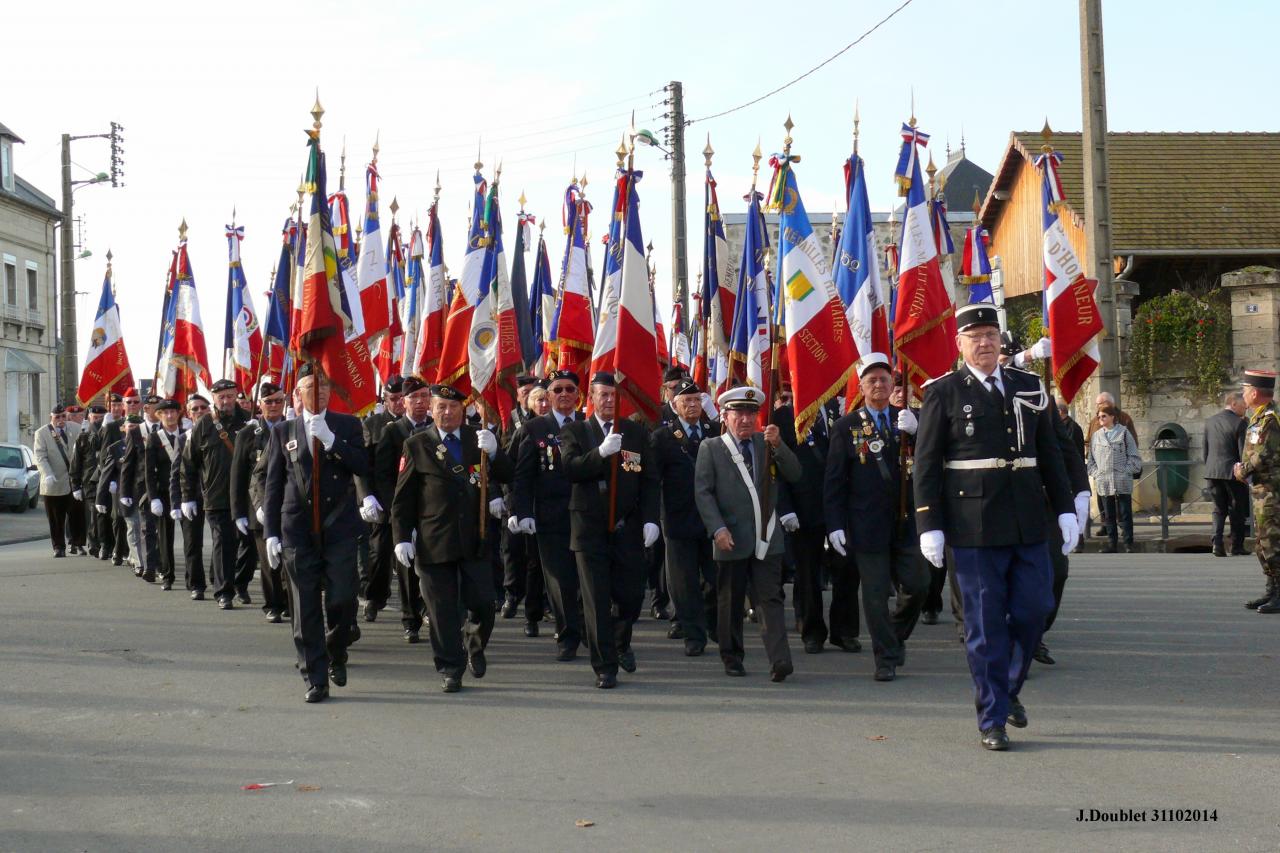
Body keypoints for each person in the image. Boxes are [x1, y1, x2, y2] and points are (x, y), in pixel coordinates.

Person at [913, 303, 1077, 751]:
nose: (985, 343)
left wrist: (1065, 507)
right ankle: (992, 718)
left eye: (991, 335)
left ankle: (1006, 690)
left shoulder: (1028, 386)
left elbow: (1050, 452)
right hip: (973, 526)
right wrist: (929, 523)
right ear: (960, 344)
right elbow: (925, 465)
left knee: (1034, 609)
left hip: (1027, 519)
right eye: (975, 336)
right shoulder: (943, 392)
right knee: (985, 625)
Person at [391, 383, 512, 693]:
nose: (447, 412)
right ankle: (450, 667)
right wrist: (402, 537)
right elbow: (403, 499)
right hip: (435, 538)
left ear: (464, 410)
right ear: (431, 410)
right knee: (441, 610)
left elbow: (507, 475)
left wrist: (496, 452)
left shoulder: (479, 439)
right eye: (441, 407)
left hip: (475, 536)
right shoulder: (417, 445)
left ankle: (474, 643)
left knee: (484, 603)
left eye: (454, 407)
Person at [263, 364, 369, 703]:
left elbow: (363, 466)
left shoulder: (348, 425)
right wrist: (271, 533)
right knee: (304, 606)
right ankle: (315, 676)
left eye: (323, 387)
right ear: (297, 395)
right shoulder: (283, 430)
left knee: (341, 599)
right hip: (297, 529)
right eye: (310, 387)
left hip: (338, 528)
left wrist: (332, 441)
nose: (318, 393)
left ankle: (337, 649)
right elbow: (273, 484)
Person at [825, 354, 929, 682]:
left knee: (918, 585)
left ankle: (894, 636)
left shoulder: (910, 419)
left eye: (885, 379)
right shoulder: (847, 427)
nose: (880, 385)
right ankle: (885, 657)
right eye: (872, 380)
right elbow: (834, 482)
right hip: (866, 524)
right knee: (873, 595)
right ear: (862, 386)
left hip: (908, 521)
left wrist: (919, 431)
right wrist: (835, 525)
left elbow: (935, 458)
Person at [558, 372, 660, 688]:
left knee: (630, 595)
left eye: (614, 396)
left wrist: (650, 519)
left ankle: (619, 640)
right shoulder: (574, 431)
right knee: (596, 599)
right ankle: (605, 666)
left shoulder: (634, 432)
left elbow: (649, 479)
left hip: (626, 527)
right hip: (589, 529)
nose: (608, 401)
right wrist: (600, 453)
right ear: (591, 398)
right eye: (603, 395)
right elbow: (570, 469)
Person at [694, 385, 800, 681]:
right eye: (738, 413)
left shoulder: (766, 443)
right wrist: (717, 529)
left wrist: (779, 445)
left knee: (771, 599)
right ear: (725, 416)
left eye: (750, 413)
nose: (744, 419)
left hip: (767, 537)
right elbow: (703, 493)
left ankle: (780, 660)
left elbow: (795, 474)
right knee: (730, 600)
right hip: (731, 537)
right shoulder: (711, 448)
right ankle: (732, 656)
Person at [512, 369, 587, 661]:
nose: (564, 395)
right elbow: (523, 475)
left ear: (578, 396)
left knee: (586, 580)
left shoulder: (588, 425)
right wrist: (522, 511)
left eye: (570, 389)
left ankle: (590, 630)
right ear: (549, 396)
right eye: (558, 390)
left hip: (585, 515)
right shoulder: (534, 428)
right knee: (559, 580)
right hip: (550, 516)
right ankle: (567, 635)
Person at [774, 394, 855, 654]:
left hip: (841, 504)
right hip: (804, 504)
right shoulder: (786, 415)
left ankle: (844, 631)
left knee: (847, 569)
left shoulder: (843, 407)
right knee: (808, 572)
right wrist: (784, 507)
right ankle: (812, 631)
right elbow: (776, 463)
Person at [650, 378, 720, 655]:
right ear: (676, 405)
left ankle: (713, 623)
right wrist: (653, 517)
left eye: (696, 400)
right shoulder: (663, 437)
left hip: (711, 518)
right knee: (683, 581)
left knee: (714, 578)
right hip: (678, 518)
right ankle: (693, 634)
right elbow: (654, 480)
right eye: (686, 401)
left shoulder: (714, 432)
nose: (692, 405)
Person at [369, 375, 432, 642]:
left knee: (432, 564)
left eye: (424, 397)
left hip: (432, 508)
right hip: (403, 506)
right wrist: (394, 508)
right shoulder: (393, 431)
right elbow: (383, 474)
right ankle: (410, 618)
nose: (419, 402)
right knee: (405, 565)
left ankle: (430, 609)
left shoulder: (435, 427)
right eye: (414, 398)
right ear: (403, 402)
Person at [182, 378, 251, 610]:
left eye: (230, 395)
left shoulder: (250, 422)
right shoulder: (204, 425)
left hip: (247, 496)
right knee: (224, 542)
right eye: (221, 396)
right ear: (214, 398)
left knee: (250, 545)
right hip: (217, 496)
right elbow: (189, 463)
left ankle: (240, 582)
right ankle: (224, 591)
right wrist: (188, 497)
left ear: (236, 395)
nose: (226, 400)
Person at [233, 383, 289, 621]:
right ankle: (272, 605)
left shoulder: (293, 428)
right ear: (260, 404)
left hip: (289, 505)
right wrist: (239, 512)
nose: (274, 406)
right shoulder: (248, 434)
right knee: (268, 561)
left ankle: (289, 602)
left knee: (289, 559)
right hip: (259, 507)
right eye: (269, 402)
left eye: (278, 401)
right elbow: (238, 475)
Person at [499, 381, 547, 635]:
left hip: (559, 507)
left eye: (546, 399)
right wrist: (515, 506)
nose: (544, 404)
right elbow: (511, 469)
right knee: (527, 560)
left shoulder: (568, 427)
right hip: (530, 505)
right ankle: (529, 612)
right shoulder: (525, 429)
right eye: (538, 400)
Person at [356, 375, 405, 623]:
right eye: (393, 399)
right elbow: (363, 466)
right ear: (385, 400)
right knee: (379, 553)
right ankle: (374, 598)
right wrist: (367, 496)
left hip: (411, 497)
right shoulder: (373, 425)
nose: (398, 403)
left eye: (401, 398)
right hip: (383, 498)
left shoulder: (418, 424)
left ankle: (418, 607)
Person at [1234, 370, 1280, 613]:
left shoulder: (1271, 419)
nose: (1243, 394)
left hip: (1273, 491)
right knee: (1262, 544)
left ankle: (1279, 593)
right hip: (1261, 490)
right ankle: (1272, 589)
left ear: (1254, 392)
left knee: (1273, 542)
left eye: (1244, 389)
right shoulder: (1258, 417)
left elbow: (1265, 454)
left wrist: (1243, 470)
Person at [1087, 405, 1142, 553]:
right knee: (1108, 514)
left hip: (1121, 479)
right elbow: (1090, 460)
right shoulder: (1096, 436)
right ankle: (1112, 544)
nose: (1101, 419)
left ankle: (1128, 543)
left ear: (1112, 417)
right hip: (1103, 480)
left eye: (1104, 416)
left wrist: (1126, 471)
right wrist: (1096, 473)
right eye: (1099, 417)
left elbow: (1134, 456)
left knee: (1125, 512)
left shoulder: (1124, 433)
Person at [1203, 391, 1250, 557]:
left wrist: (1209, 468)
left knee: (1218, 509)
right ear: (1234, 404)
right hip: (1233, 472)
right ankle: (1237, 545)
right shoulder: (1240, 423)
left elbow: (1206, 450)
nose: (1246, 408)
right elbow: (1243, 452)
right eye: (1244, 406)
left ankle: (1217, 544)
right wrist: (1245, 473)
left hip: (1212, 471)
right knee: (1237, 508)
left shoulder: (1210, 421)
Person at [173, 395, 210, 599]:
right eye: (195, 409)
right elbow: (177, 471)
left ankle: (218, 578)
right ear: (189, 413)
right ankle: (196, 584)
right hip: (191, 496)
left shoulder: (217, 433)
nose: (200, 411)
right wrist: (178, 500)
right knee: (192, 542)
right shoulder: (183, 437)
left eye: (204, 407)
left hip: (214, 494)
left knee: (221, 541)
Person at [144, 399, 183, 591]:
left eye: (173, 412)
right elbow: (149, 471)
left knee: (192, 539)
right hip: (164, 493)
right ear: (159, 415)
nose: (169, 416)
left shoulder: (186, 434)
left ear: (178, 413)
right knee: (165, 538)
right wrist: (154, 498)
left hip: (186, 492)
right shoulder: (155, 438)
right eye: (165, 413)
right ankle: (168, 575)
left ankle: (194, 577)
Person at [34, 404, 81, 558]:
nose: (61, 420)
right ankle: (58, 546)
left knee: (76, 515)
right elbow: (40, 456)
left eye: (63, 416)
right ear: (51, 418)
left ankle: (77, 543)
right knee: (56, 518)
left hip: (74, 482)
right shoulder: (42, 433)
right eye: (57, 417)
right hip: (53, 482)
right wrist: (47, 473)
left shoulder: (76, 428)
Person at [71, 405, 107, 558]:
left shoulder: (110, 434)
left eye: (101, 418)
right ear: (89, 418)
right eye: (95, 417)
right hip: (89, 482)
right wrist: (75, 485)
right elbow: (76, 463)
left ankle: (106, 543)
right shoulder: (83, 437)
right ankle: (94, 543)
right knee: (94, 514)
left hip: (106, 481)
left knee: (106, 514)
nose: (97, 420)